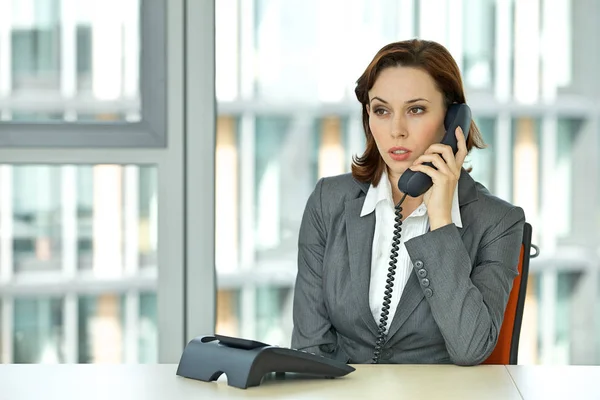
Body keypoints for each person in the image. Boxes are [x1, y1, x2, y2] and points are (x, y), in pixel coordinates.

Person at [290, 39, 526, 365]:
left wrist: (441, 219)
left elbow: (471, 348)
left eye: (415, 110)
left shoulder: (497, 221)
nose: (396, 130)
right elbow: (309, 349)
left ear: (453, 119)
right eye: (381, 110)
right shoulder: (328, 203)